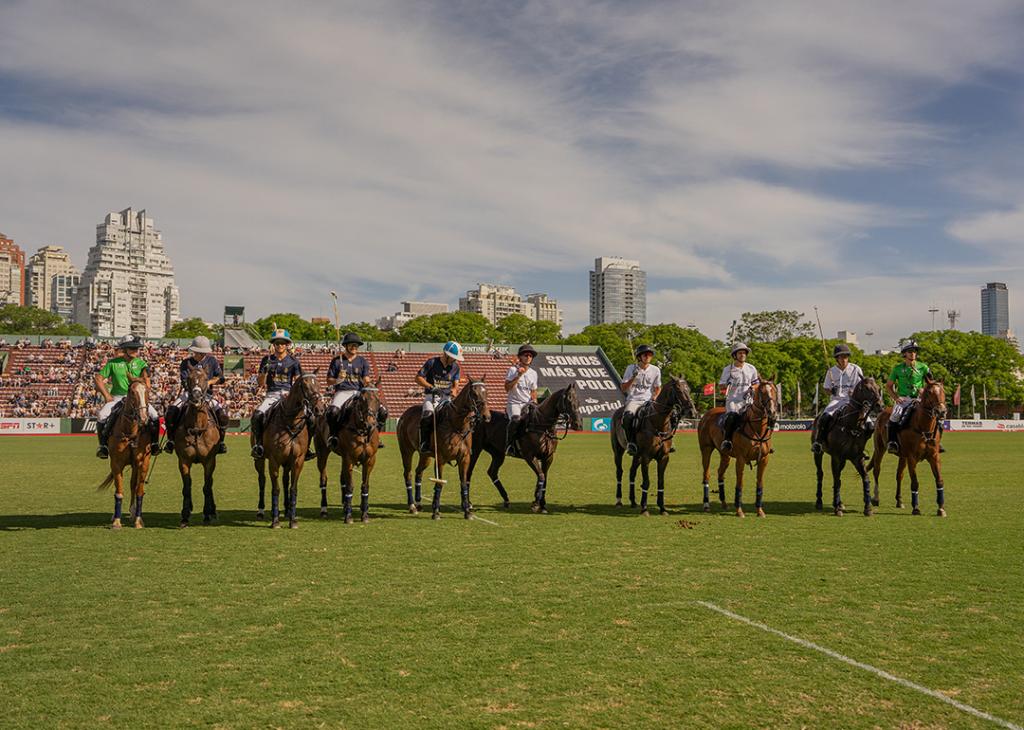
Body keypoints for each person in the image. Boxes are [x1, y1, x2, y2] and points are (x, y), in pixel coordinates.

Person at [250, 329, 315, 460]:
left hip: (288, 394)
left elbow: (297, 381)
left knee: (311, 418)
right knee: (257, 415)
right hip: (272, 394)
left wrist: (291, 394)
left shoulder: (294, 361)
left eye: (283, 343)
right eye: (277, 343)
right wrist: (264, 371)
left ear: (287, 345)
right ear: (273, 345)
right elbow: (261, 383)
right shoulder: (267, 360)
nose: (280, 346)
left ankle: (306, 447)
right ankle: (259, 445)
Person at [93, 334, 161, 458]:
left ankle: (155, 444)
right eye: (132, 348)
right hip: (118, 397)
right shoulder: (113, 363)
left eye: (137, 348)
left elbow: (147, 383)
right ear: (124, 349)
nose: (135, 351)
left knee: (155, 415)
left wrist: (137, 381)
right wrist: (107, 395)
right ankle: (103, 446)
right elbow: (98, 378)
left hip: (137, 397)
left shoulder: (141, 363)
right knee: (102, 415)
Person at [162, 335, 229, 454]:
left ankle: (221, 442)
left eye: (203, 352)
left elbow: (221, 377)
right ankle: (171, 440)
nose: (202, 355)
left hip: (207, 395)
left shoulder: (212, 361)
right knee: (172, 411)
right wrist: (194, 390)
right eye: (199, 352)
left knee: (222, 414)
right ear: (194, 351)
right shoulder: (186, 362)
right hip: (189, 394)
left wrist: (209, 382)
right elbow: (184, 381)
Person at [325, 332, 388, 449]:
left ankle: (376, 435)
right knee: (332, 412)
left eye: (356, 345)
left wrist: (368, 383)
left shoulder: (362, 361)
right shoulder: (337, 361)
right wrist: (339, 379)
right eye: (351, 345)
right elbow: (329, 380)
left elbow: (366, 378)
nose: (354, 347)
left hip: (359, 392)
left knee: (383, 411)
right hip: (343, 392)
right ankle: (333, 436)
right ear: (346, 346)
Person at [885, 340, 942, 454]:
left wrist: (924, 390)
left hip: (920, 399)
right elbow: (889, 386)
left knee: (937, 416)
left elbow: (932, 383)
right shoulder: (897, 368)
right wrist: (896, 398)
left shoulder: (923, 367)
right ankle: (892, 442)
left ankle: (936, 442)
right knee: (894, 416)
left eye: (915, 351)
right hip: (904, 399)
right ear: (904, 353)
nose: (913, 354)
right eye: (910, 351)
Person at [812, 343, 865, 454]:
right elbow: (826, 389)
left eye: (846, 356)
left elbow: (862, 387)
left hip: (853, 401)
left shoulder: (856, 369)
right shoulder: (831, 371)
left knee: (869, 424)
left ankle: (861, 447)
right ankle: (818, 442)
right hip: (837, 400)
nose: (844, 359)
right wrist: (832, 391)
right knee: (824, 417)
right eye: (841, 357)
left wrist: (855, 392)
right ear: (837, 358)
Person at [414, 341, 463, 453]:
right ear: (446, 355)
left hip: (447, 399)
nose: (455, 360)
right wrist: (431, 387)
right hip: (431, 397)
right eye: (453, 357)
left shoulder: (455, 367)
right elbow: (418, 378)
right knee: (428, 415)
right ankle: (424, 443)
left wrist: (454, 391)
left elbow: (456, 385)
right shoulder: (432, 363)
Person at [620, 344, 662, 455]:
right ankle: (631, 443)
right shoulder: (631, 368)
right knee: (627, 417)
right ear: (639, 357)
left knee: (665, 416)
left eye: (650, 355)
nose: (648, 356)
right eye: (645, 354)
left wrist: (654, 396)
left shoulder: (656, 370)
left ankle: (667, 441)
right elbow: (623, 388)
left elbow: (657, 388)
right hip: (634, 400)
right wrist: (633, 377)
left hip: (649, 400)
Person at [719, 343, 760, 452]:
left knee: (761, 415)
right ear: (734, 355)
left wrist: (753, 387)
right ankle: (727, 440)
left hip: (748, 401)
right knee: (732, 417)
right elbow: (721, 385)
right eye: (740, 353)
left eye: (744, 353)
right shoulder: (728, 369)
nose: (743, 355)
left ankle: (763, 441)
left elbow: (756, 383)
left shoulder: (751, 368)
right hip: (733, 400)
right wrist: (726, 384)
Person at [504, 343, 539, 455]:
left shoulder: (534, 373)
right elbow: (507, 388)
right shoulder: (512, 370)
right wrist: (518, 376)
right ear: (520, 357)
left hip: (527, 404)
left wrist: (535, 404)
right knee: (516, 420)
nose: (528, 357)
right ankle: (509, 446)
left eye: (530, 355)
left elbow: (533, 391)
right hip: (514, 403)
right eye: (526, 355)